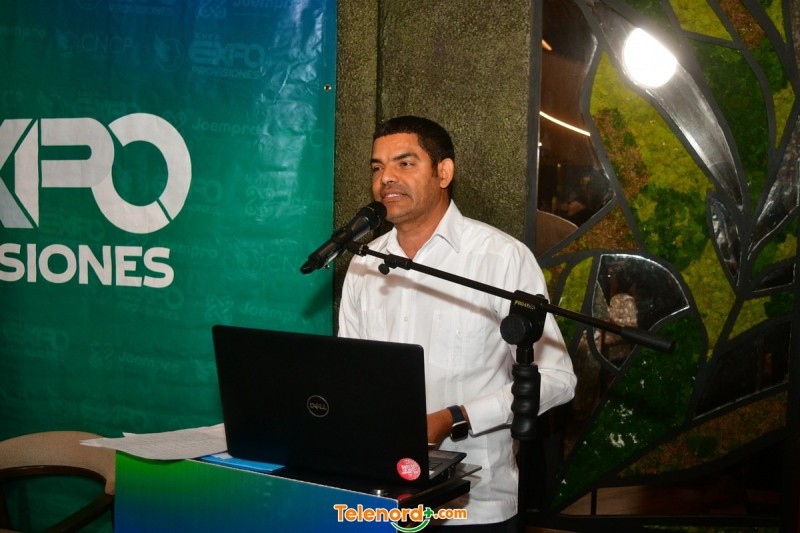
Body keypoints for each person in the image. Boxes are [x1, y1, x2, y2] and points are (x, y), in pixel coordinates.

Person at [338, 116, 576, 530]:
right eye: (377, 167)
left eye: (404, 163)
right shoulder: (364, 263)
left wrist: (456, 416)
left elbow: (557, 379)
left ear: (443, 172)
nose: (386, 178)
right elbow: (351, 374)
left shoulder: (500, 257)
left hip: (474, 506)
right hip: (381, 497)